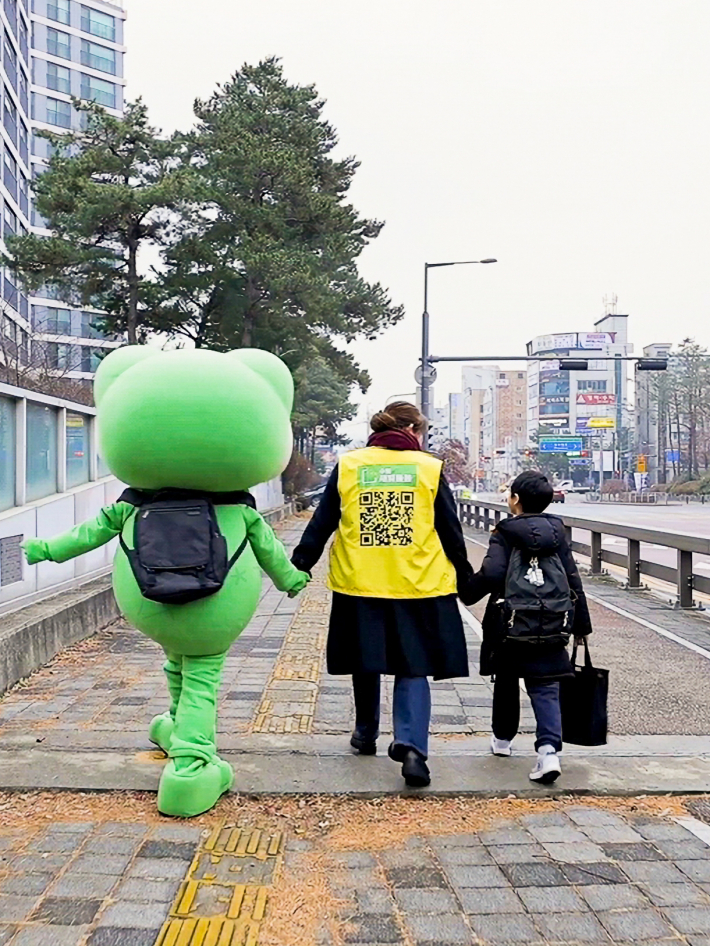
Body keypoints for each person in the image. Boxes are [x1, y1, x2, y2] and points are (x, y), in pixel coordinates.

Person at [22, 345, 309, 817]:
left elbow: (86, 535)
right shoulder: (238, 510)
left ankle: (175, 727)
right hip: (216, 606)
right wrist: (292, 580)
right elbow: (272, 556)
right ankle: (191, 768)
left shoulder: (132, 505)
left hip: (150, 602)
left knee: (178, 661)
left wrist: (45, 550)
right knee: (201, 673)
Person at [291, 402, 474, 788]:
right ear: (411, 429)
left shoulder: (351, 465)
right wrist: (466, 575)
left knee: (366, 658)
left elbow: (323, 520)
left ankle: (365, 732)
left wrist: (300, 563)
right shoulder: (428, 467)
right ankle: (411, 748)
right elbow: (449, 530)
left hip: (361, 581)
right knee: (413, 665)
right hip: (419, 584)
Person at [462, 470, 592, 784]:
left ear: (516, 499)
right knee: (546, 685)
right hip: (552, 620)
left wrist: (466, 591)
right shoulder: (558, 531)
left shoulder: (505, 531)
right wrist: (581, 625)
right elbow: (572, 578)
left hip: (511, 621)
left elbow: (493, 574)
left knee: (506, 678)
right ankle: (548, 752)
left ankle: (502, 741)